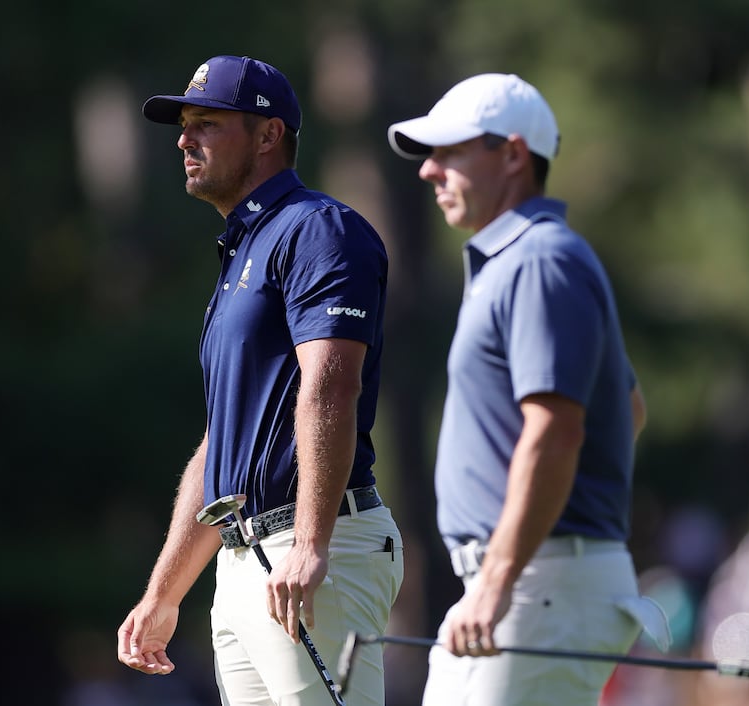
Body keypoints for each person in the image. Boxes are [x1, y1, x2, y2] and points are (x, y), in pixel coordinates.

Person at [117, 55, 404, 705]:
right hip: (245, 562)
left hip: (312, 552)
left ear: (269, 135)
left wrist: (310, 542)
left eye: (207, 123)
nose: (185, 140)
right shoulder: (245, 247)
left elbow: (332, 386)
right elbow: (225, 440)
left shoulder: (318, 230)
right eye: (184, 125)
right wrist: (164, 593)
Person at [386, 73, 667, 705]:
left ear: (513, 155)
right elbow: (626, 410)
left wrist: (500, 576)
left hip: (536, 581)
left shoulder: (540, 261)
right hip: (525, 580)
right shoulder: (520, 262)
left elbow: (557, 430)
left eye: (450, 151)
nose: (429, 171)